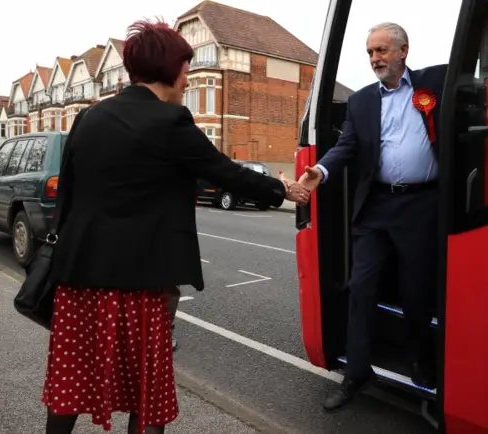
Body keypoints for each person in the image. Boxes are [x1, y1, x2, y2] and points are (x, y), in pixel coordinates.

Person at [41, 19, 309, 434]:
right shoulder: (170, 121)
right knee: (147, 395)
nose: (187, 77)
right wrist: (284, 190)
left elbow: (68, 194)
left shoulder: (88, 119)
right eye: (185, 67)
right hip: (142, 279)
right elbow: (225, 172)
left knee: (72, 382)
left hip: (79, 274)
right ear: (169, 69)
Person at [298, 22, 447, 410]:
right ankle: (356, 372)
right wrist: (321, 171)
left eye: (381, 50)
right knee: (361, 288)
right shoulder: (362, 101)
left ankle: (419, 359)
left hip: (420, 205)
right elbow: (345, 147)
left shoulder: (436, 84)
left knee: (417, 290)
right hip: (376, 206)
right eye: (369, 52)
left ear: (403, 51)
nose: (375, 59)